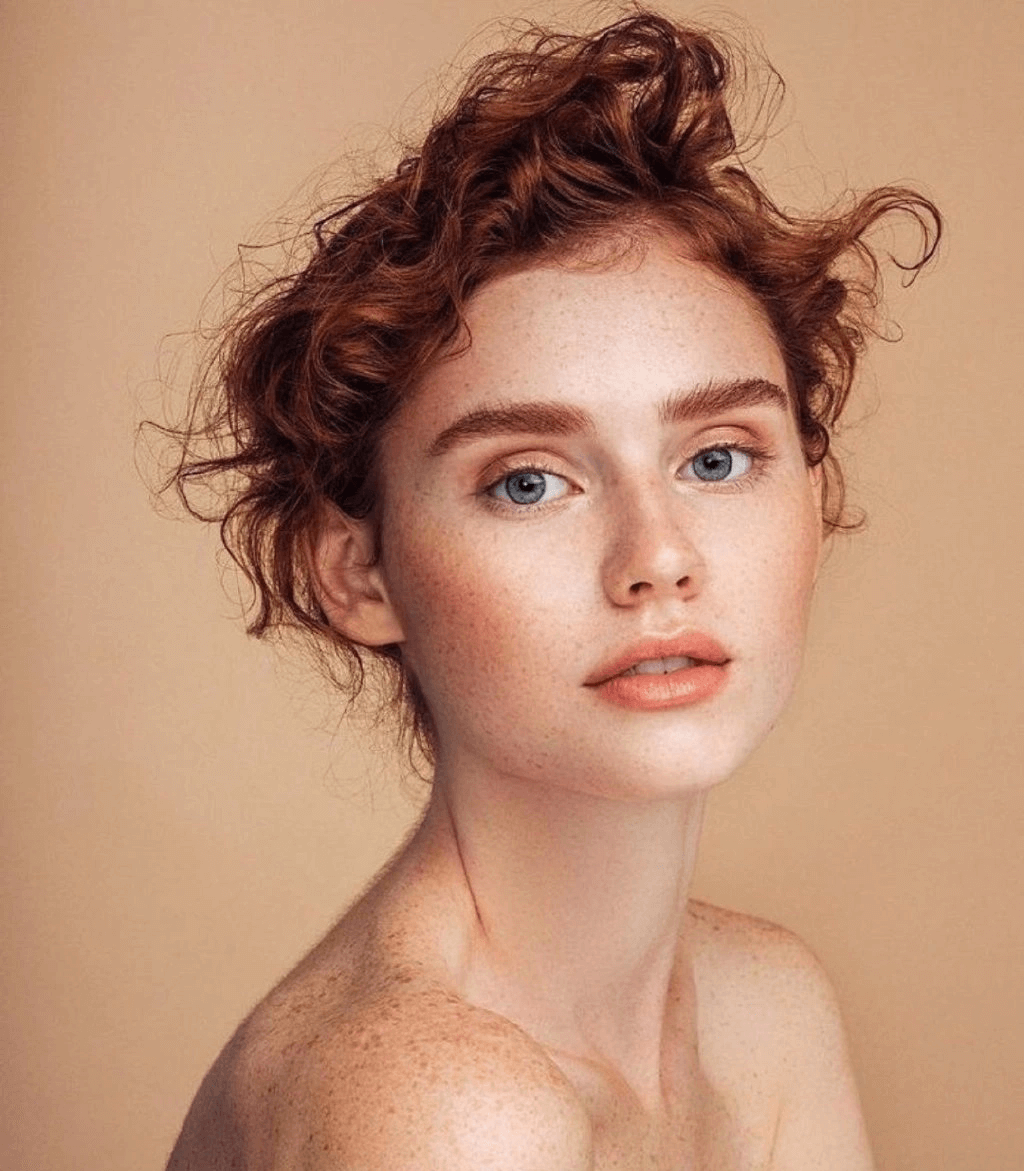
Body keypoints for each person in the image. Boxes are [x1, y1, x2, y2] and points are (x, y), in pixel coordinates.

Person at [162, 10, 939, 1169]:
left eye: (716, 458)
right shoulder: (447, 1108)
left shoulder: (765, 1007)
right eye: (530, 481)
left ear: (811, 505)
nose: (658, 555)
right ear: (357, 573)